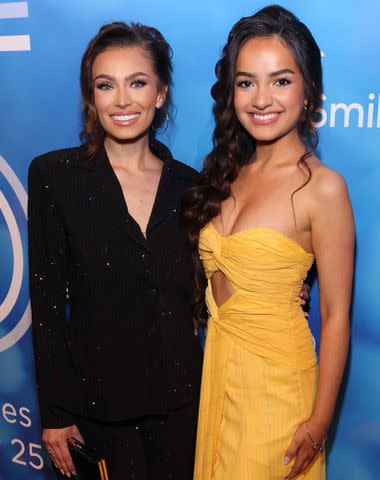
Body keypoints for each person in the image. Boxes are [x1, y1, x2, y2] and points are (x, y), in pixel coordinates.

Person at [183, 5, 354, 480]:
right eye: (245, 82)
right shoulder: (223, 172)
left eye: (280, 80)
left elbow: (337, 315)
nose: (261, 98)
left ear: (308, 90)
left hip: (279, 388)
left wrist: (319, 424)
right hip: (219, 375)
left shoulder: (323, 188)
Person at [28, 22, 203, 480]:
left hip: (183, 409)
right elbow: (46, 307)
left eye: (138, 83)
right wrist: (55, 413)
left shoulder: (193, 187)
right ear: (92, 96)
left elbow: (212, 285)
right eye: (106, 85)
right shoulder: (56, 176)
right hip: (97, 414)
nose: (122, 100)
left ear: (161, 93)